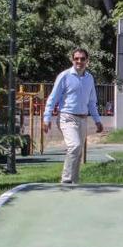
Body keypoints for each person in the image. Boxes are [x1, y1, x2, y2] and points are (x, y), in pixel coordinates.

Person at [43, 47, 104, 184]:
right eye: (76, 58)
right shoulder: (64, 76)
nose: (79, 61)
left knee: (78, 151)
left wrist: (97, 121)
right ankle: (66, 180)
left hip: (82, 119)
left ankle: (74, 183)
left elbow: (92, 102)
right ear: (72, 60)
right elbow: (53, 98)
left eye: (82, 59)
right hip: (67, 117)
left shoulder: (89, 78)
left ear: (87, 61)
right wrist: (46, 118)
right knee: (74, 146)